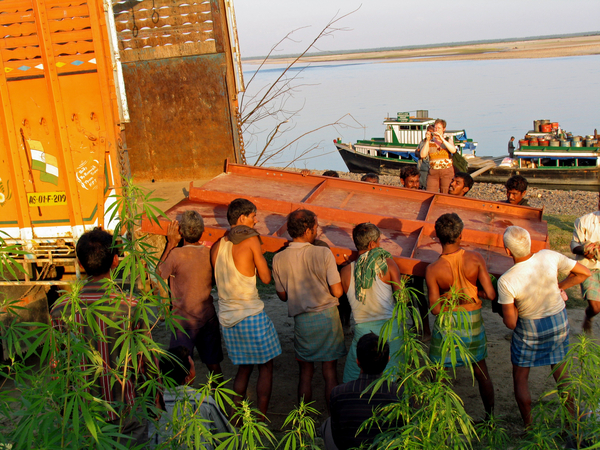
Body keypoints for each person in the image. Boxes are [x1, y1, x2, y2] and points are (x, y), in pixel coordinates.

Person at [50, 228, 149, 446]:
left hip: (83, 414)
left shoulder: (60, 311)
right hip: (126, 408)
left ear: (80, 263)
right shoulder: (131, 307)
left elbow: (58, 366)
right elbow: (145, 361)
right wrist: (156, 399)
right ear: (116, 261)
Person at [498, 226, 590, 427]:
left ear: (507, 250)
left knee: (521, 377)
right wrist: (561, 286)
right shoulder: (549, 256)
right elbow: (583, 272)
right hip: (558, 322)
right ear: (530, 243)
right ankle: (572, 420)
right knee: (561, 370)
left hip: (529, 330)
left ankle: (529, 426)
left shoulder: (506, 281)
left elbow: (511, 323)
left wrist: (514, 308)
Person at [210, 198, 282, 418]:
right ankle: (261, 415)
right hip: (250, 313)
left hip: (227, 317)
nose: (256, 220)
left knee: (244, 368)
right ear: (242, 218)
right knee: (266, 367)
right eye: (253, 216)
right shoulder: (250, 241)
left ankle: (235, 414)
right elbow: (266, 278)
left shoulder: (217, 245)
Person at [272, 210, 346, 408]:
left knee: (305, 373)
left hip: (302, 321)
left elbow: (282, 296)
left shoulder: (278, 258)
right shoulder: (323, 252)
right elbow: (337, 292)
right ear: (307, 230)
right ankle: (333, 414)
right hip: (328, 318)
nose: (317, 231)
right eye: (315, 227)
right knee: (329, 371)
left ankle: (303, 416)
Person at [425, 213, 496, 419]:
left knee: (439, 371)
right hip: (472, 319)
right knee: (481, 371)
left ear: (438, 238)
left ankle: (437, 419)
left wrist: (452, 300)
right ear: (461, 236)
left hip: (448, 323)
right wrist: (472, 295)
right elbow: (490, 294)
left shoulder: (433, 270)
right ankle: (489, 419)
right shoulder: (475, 258)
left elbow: (436, 309)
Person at [158, 211, 223, 379]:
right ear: (202, 232)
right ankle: (221, 402)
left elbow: (159, 274)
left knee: (178, 368)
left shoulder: (175, 255)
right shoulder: (209, 253)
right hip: (206, 317)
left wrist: (170, 243)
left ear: (181, 232)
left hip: (183, 321)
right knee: (214, 366)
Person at [340, 223, 403, 382]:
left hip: (363, 331)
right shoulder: (388, 264)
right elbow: (402, 298)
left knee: (354, 377)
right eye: (379, 241)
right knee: (393, 377)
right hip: (390, 330)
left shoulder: (346, 272)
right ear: (372, 244)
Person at [321, 333, 401, 450]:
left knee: (327, 424)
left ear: (357, 362)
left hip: (348, 446)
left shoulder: (339, 393)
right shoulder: (399, 393)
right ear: (388, 360)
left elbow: (337, 434)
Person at [150, 346, 233, 448]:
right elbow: (228, 438)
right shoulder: (204, 402)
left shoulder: (152, 405)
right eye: (193, 368)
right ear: (188, 377)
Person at [570, 192, 600, 335]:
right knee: (595, 307)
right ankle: (589, 316)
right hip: (589, 268)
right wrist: (586, 249)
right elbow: (574, 246)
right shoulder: (584, 221)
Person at [418, 119, 457, 194]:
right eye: (435, 128)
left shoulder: (448, 140)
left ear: (444, 129)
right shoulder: (430, 142)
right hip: (433, 172)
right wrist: (428, 140)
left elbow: (453, 150)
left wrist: (441, 138)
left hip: (447, 171)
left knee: (446, 193)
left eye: (439, 128)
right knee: (430, 193)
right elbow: (422, 155)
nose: (436, 130)